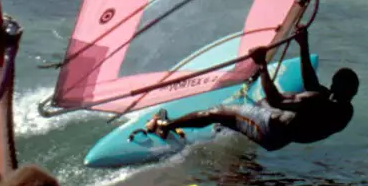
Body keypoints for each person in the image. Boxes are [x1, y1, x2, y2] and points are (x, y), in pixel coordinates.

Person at [143, 25, 356, 151]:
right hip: (281, 139)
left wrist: (261, 64)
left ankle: (165, 126)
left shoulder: (318, 100)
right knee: (259, 105)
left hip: (267, 130)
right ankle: (231, 123)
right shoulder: (345, 111)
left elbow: (276, 101)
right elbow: (311, 85)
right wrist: (303, 45)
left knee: (214, 112)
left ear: (334, 87)